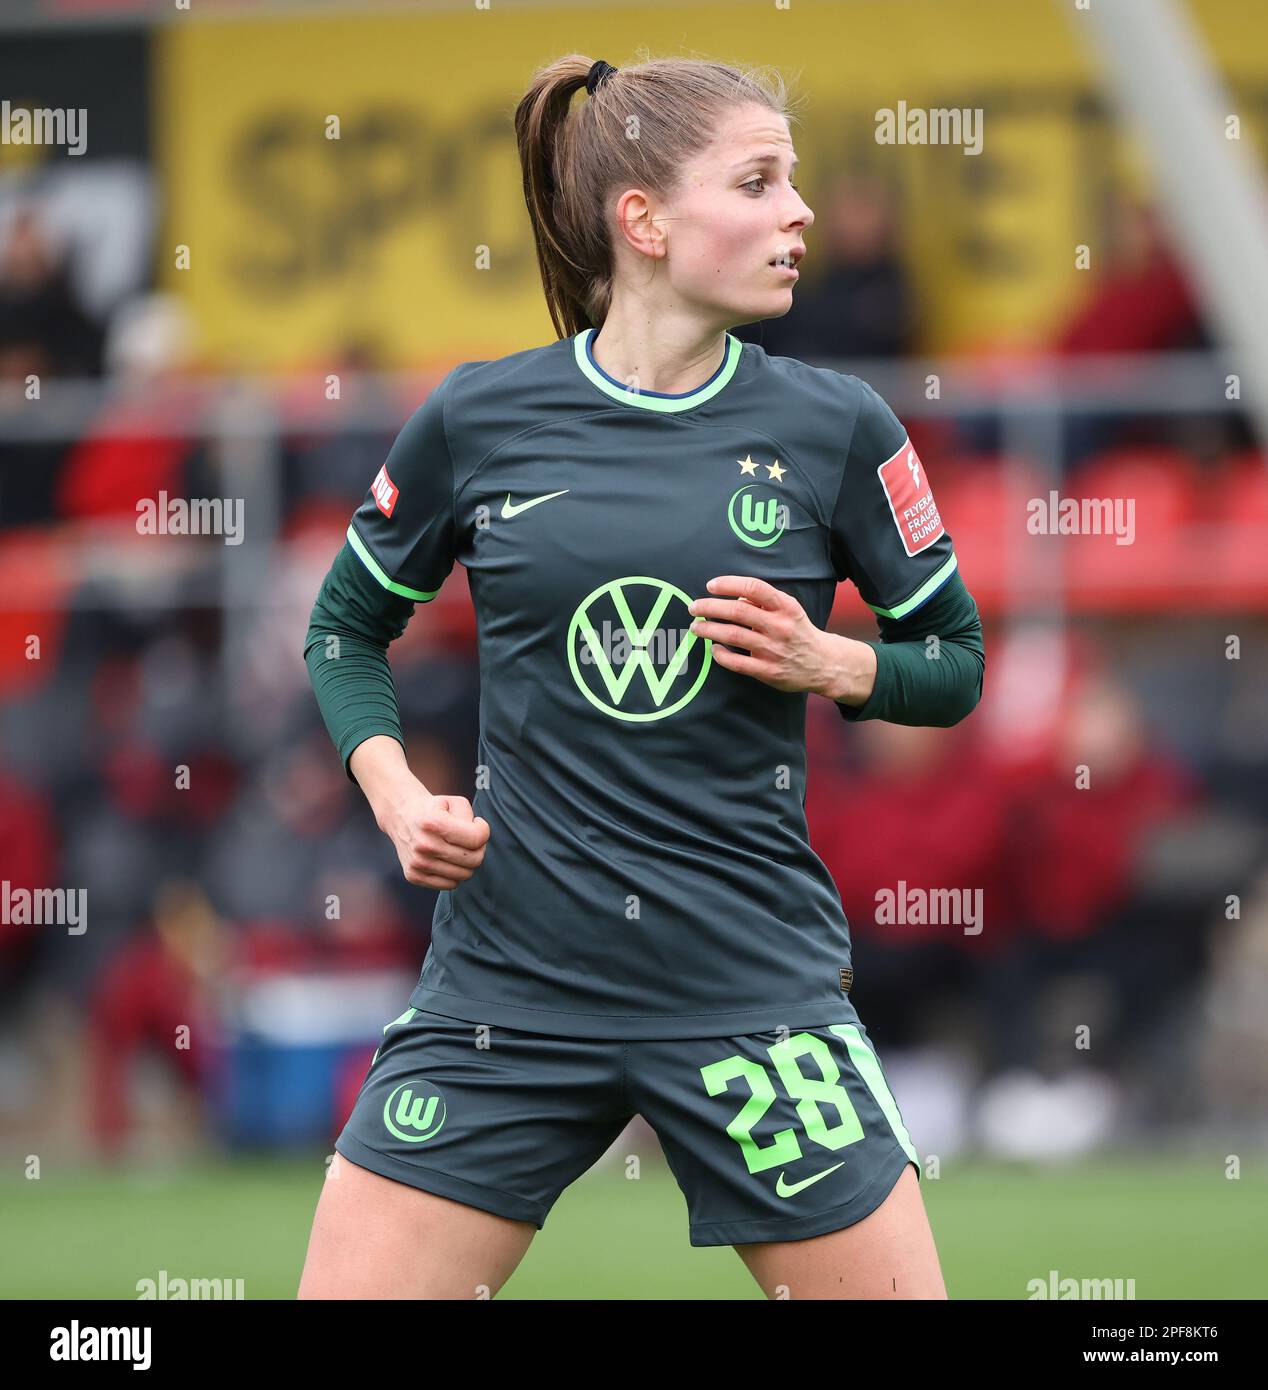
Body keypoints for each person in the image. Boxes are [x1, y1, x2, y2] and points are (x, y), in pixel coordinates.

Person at [297, 54, 984, 1301]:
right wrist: (397, 795)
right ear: (644, 222)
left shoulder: (837, 428)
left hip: (747, 987)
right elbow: (343, 629)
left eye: (794, 182)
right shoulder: (477, 418)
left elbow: (954, 663)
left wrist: (833, 663)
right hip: (506, 993)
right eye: (758, 182)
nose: (800, 214)